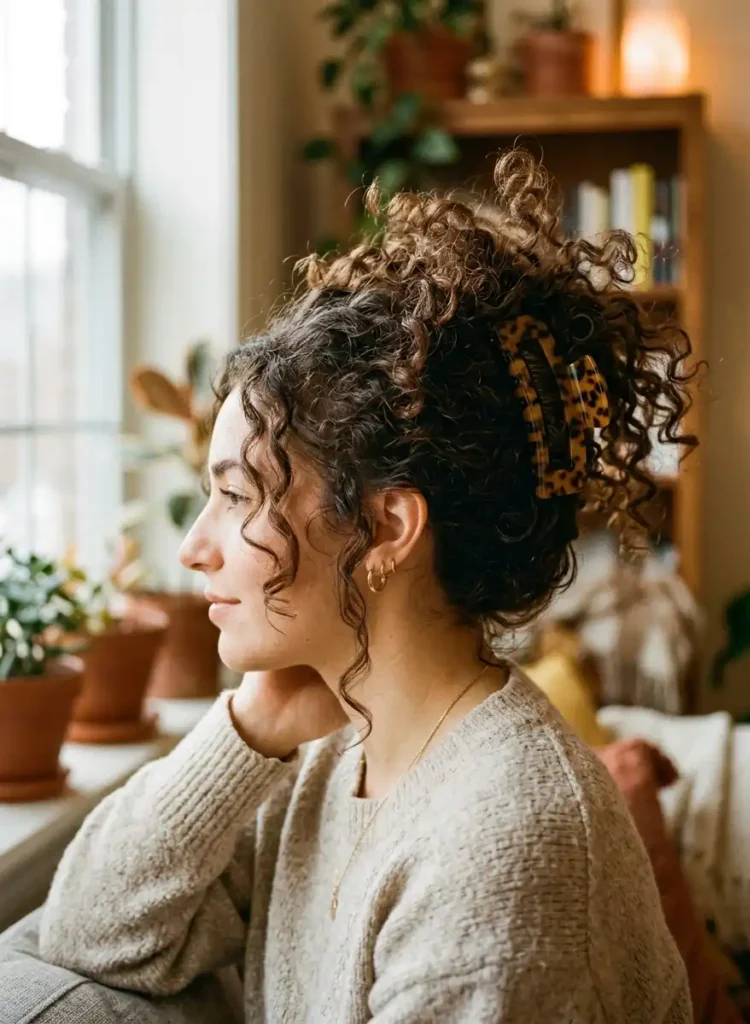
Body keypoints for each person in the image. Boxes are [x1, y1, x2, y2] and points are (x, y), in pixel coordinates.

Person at [38, 150, 695, 1022]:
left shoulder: (507, 851)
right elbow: (87, 933)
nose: (193, 547)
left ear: (386, 531)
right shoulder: (326, 751)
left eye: (235, 496)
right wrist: (246, 725)